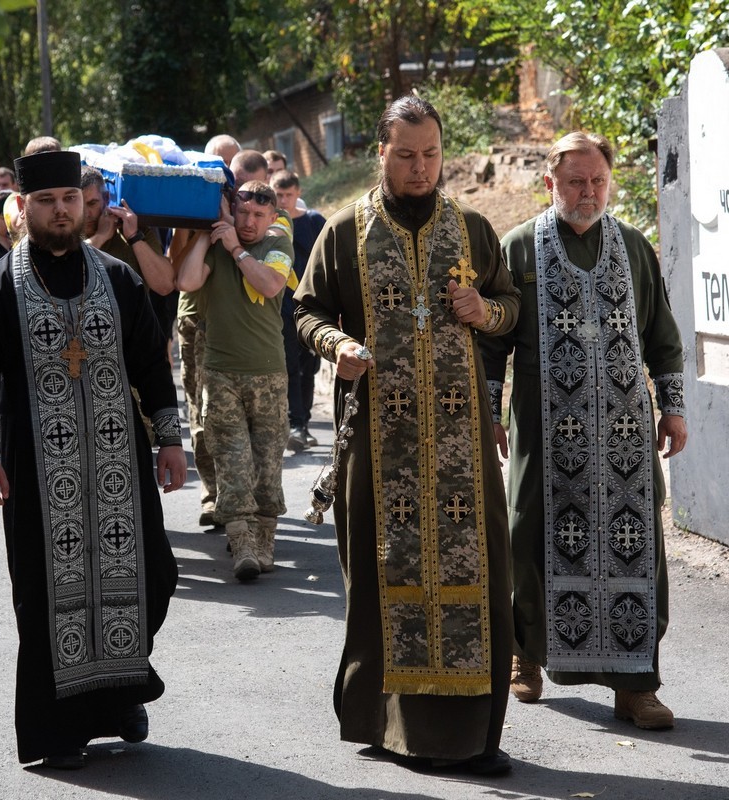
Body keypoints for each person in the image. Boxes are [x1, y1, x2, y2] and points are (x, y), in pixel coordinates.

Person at [294, 95, 520, 774]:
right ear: (381, 154)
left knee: (474, 572)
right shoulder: (343, 231)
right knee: (378, 572)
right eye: (405, 155)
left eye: (430, 154)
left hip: (463, 439)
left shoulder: (476, 229)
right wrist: (337, 345)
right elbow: (306, 309)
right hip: (378, 438)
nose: (420, 168)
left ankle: (472, 735)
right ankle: (386, 724)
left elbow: (510, 306)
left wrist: (487, 311)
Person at [0, 149, 184, 769]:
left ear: (86, 204)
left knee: (149, 578)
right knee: (46, 595)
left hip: (119, 465)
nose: (61, 211)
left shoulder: (116, 275)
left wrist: (169, 438)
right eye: (47, 202)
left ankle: (117, 698)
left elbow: (150, 362)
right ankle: (56, 734)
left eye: (70, 200)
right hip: (34, 472)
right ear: (25, 207)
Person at [479, 132, 686, 730]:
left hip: (624, 443)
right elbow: (492, 349)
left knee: (635, 551)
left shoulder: (634, 248)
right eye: (575, 181)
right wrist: (491, 414)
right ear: (550, 183)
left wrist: (672, 408)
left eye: (597, 181)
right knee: (531, 541)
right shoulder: (517, 249)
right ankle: (526, 657)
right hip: (545, 440)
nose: (588, 192)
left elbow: (662, 337)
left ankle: (635, 685)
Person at [176, 180, 294, 580]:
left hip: (268, 374)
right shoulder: (219, 244)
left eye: (258, 215)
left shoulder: (278, 246)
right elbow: (187, 282)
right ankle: (242, 543)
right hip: (221, 372)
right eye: (242, 212)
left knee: (267, 464)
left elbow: (269, 283)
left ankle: (265, 542)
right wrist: (206, 237)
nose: (248, 221)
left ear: (272, 218)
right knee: (231, 461)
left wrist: (235, 248)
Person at [79, 166, 176, 344]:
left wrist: (134, 237)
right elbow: (67, 271)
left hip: (133, 343)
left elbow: (165, 285)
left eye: (92, 203)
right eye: (79, 204)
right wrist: (100, 238)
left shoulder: (132, 231)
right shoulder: (65, 236)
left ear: (106, 198)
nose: (86, 213)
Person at [271, 169, 327, 452]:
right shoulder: (269, 224)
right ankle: (296, 424)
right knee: (290, 366)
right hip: (281, 306)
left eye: (287, 195)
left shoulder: (314, 221)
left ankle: (302, 420)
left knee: (310, 367)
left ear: (298, 193)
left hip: (312, 307)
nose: (283, 200)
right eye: (278, 195)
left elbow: (328, 261)